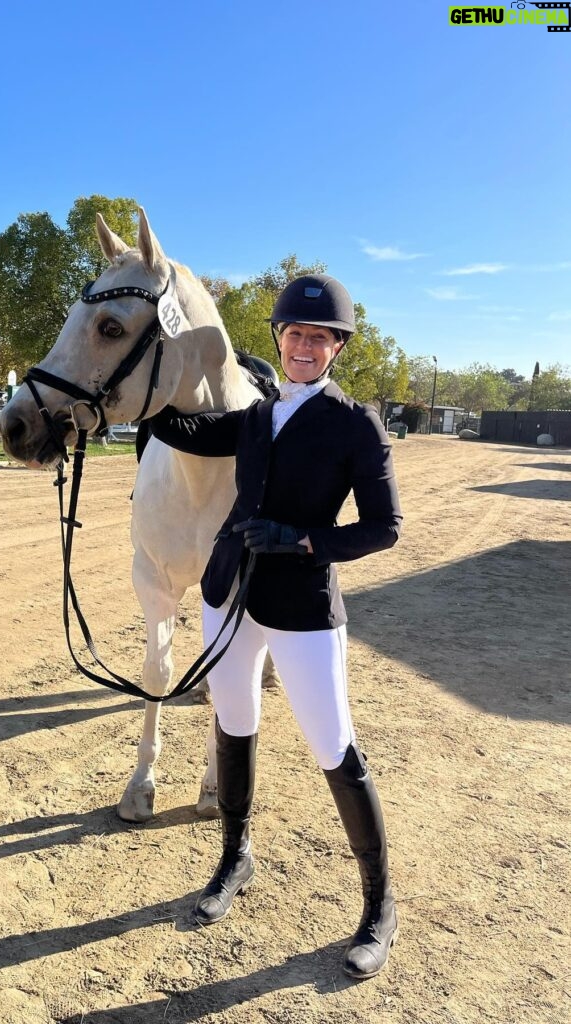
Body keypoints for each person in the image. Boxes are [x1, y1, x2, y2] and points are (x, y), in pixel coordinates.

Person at [150, 273, 402, 979]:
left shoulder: (356, 425)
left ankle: (379, 905)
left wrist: (300, 539)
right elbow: (188, 426)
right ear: (279, 340)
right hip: (227, 591)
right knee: (231, 726)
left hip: (301, 606)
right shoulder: (259, 416)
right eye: (293, 334)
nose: (302, 346)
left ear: (335, 348)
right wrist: (125, 392)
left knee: (333, 746)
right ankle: (235, 857)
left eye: (317, 337)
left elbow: (385, 529)